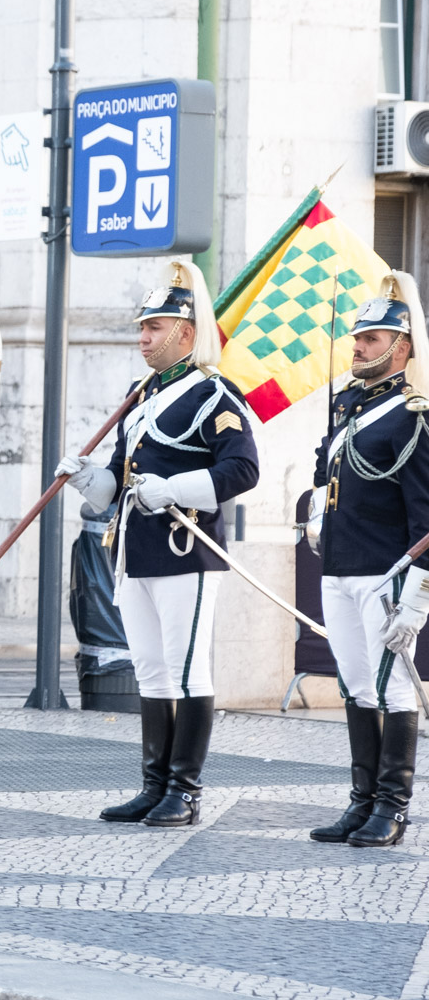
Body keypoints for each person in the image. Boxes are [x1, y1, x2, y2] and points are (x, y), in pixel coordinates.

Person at [59, 263, 259, 825]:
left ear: (186, 333)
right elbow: (118, 483)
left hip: (184, 549)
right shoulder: (140, 393)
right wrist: (86, 478)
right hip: (135, 549)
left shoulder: (213, 393)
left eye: (154, 328)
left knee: (188, 669)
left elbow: (243, 470)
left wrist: (172, 489)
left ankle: (185, 792)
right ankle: (154, 785)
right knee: (150, 670)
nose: (142, 338)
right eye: (142, 328)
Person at [304, 274, 429, 847]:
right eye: (357, 337)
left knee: (394, 689)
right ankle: (362, 802)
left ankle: (392, 807)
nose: (357, 346)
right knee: (355, 686)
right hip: (338, 566)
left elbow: (425, 514)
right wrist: (316, 511)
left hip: (387, 572)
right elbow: (326, 474)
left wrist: (417, 598)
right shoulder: (347, 404)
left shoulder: (412, 415)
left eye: (372, 339)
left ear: (402, 348)